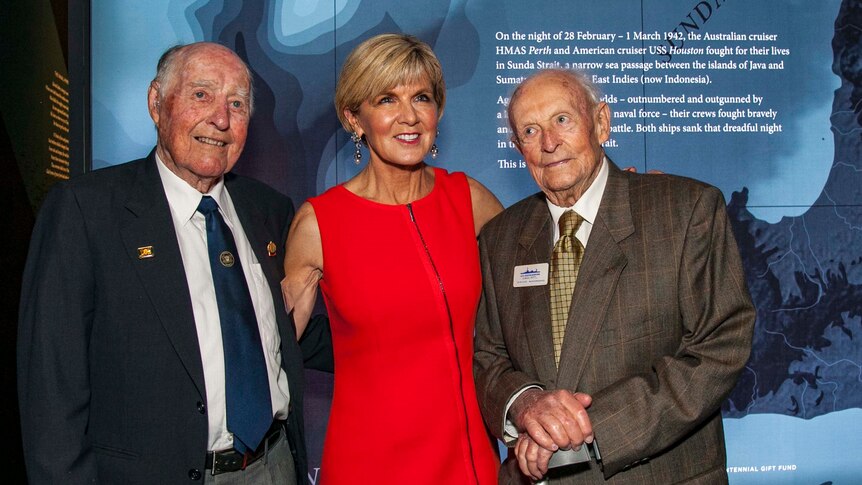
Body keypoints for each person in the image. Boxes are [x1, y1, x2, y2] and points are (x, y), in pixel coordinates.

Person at [17, 42, 330, 484]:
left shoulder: (269, 210)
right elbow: (51, 389)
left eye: (236, 104)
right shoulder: (86, 212)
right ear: (155, 103)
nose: (220, 119)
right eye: (201, 94)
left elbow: (289, 333)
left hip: (274, 466)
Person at [473, 68, 756, 484]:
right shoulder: (501, 237)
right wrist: (527, 407)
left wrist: (584, 432)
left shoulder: (686, 210)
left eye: (562, 120)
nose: (549, 143)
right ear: (518, 148)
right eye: (530, 131)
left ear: (601, 122)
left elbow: (719, 348)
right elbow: (489, 357)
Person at [282, 33, 501, 484]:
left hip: (467, 461)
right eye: (386, 99)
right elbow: (276, 353)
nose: (409, 116)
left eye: (422, 97)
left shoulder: (469, 200)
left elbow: (546, 273)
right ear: (354, 118)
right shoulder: (319, 223)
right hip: (368, 464)